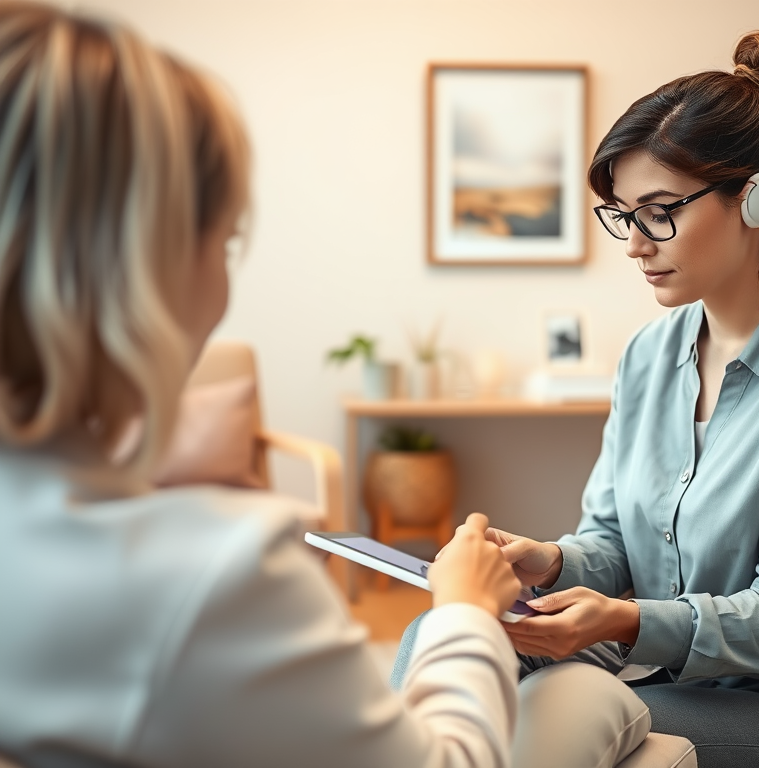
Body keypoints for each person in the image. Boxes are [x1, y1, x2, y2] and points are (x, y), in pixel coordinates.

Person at [0, 5, 647, 767]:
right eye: (228, 240)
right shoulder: (214, 577)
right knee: (593, 697)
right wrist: (464, 611)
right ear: (154, 264)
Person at [394, 31, 759, 768]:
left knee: (561, 709)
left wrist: (625, 621)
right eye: (622, 214)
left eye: (660, 210)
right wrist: (546, 562)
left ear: (757, 198)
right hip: (660, 675)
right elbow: (612, 541)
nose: (636, 243)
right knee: (440, 634)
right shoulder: (649, 354)